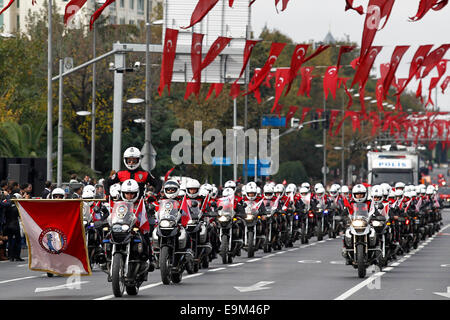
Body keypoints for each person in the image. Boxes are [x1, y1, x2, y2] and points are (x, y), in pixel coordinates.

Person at [3, 192, 24, 261]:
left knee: (10, 240)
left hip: (8, 225)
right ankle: (17, 256)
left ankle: (11, 256)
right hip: (15, 225)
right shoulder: (17, 207)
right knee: (18, 241)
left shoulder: (7, 207)